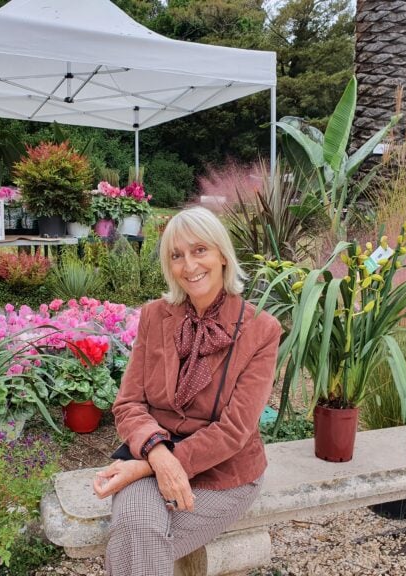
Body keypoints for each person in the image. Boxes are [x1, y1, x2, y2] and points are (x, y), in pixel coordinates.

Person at [93, 207, 282, 576]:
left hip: (224, 473)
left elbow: (234, 430)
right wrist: (158, 458)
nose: (188, 264)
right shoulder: (154, 316)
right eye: (176, 255)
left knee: (138, 545)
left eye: (199, 250)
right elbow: (129, 403)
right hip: (152, 450)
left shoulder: (262, 330)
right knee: (139, 529)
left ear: (223, 255)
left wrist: (144, 468)